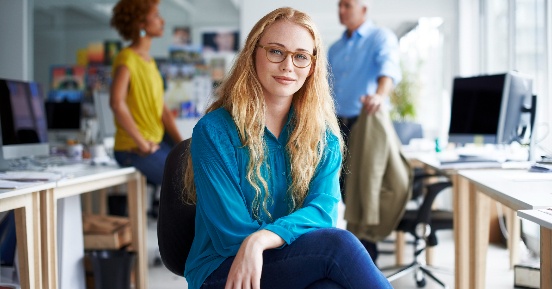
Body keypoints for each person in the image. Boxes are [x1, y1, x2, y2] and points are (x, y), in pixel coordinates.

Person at [182, 7, 393, 289]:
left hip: (290, 262)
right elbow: (231, 235)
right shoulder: (214, 131)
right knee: (337, 246)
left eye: (301, 56)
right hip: (226, 269)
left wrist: (261, 239)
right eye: (276, 51)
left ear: (312, 66)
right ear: (253, 53)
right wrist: (256, 242)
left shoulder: (324, 134)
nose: (288, 66)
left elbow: (323, 213)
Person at [328, 0, 402, 263]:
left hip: (366, 123)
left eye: (348, 5)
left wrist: (380, 96)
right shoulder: (335, 49)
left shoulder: (380, 37)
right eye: (339, 6)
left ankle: (367, 256)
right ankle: (346, 251)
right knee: (338, 189)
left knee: (364, 189)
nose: (342, 11)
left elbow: (388, 69)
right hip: (336, 124)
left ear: (364, 8)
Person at [109, 0, 183, 191]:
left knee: (197, 175)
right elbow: (117, 103)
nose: (162, 21)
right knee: (185, 186)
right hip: (132, 149)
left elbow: (163, 111)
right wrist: (142, 144)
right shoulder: (127, 58)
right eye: (156, 16)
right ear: (141, 23)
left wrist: (183, 145)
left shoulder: (150, 63)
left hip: (154, 144)